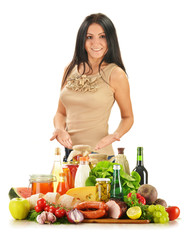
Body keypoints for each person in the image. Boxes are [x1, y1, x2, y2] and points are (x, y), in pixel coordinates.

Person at [50, 13, 134, 160]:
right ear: (82, 39)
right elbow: (60, 113)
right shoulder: (69, 69)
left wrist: (114, 136)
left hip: (99, 157)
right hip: (70, 155)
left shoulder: (115, 74)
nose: (96, 43)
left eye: (102, 36)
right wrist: (59, 129)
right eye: (89, 37)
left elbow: (128, 117)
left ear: (110, 39)